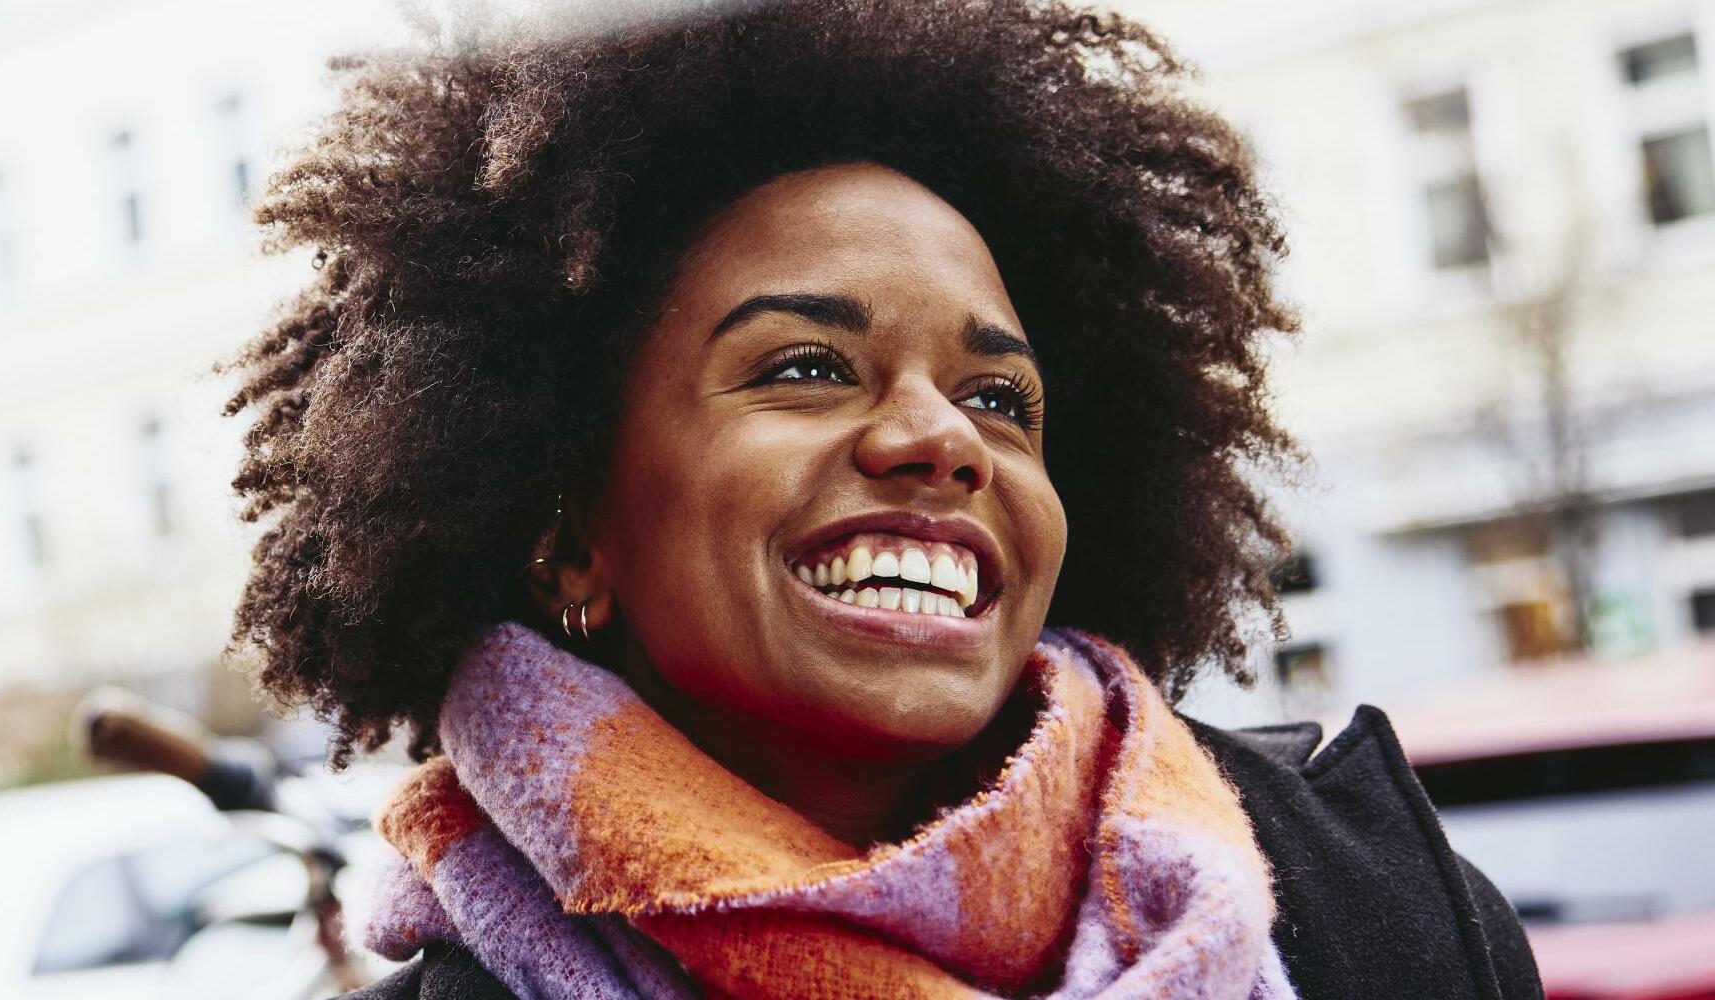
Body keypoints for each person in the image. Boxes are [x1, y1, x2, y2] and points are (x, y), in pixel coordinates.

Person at [222, 1, 1544, 997]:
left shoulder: (1375, 908)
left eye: (1002, 398)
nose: (938, 440)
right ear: (566, 534)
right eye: (805, 367)